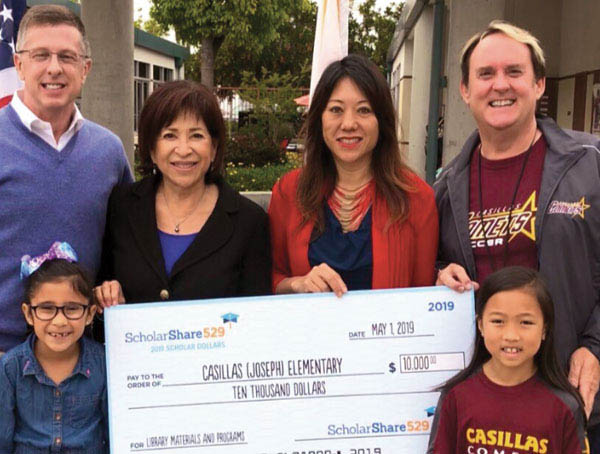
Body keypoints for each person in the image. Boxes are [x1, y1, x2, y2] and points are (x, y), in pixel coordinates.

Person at [434, 20, 600, 439]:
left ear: (539, 84)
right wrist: (437, 275)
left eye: (514, 72)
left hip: (576, 401)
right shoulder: (445, 188)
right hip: (490, 416)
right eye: (485, 74)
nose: (500, 85)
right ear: (465, 91)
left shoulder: (591, 164)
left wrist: (595, 347)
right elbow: (433, 269)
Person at [0, 5, 132, 354]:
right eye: (40, 55)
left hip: (83, 362)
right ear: (19, 64)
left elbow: (127, 246)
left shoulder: (108, 152)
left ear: (85, 68)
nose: (54, 68)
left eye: (67, 57)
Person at [269, 54, 438, 296]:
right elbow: (270, 280)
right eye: (336, 109)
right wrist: (298, 283)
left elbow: (425, 295)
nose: (349, 123)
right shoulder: (288, 192)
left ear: (382, 121)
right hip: (310, 333)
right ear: (320, 119)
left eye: (364, 110)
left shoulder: (416, 198)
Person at [96, 80, 270, 307]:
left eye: (196, 135)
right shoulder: (121, 207)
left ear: (214, 147)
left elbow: (256, 315)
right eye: (170, 135)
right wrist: (103, 297)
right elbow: (98, 293)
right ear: (151, 148)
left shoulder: (249, 222)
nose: (184, 149)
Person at [427, 266, 588, 453]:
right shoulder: (455, 397)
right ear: (481, 325)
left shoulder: (565, 407)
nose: (511, 335)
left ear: (544, 328)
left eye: (525, 322)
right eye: (498, 321)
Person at [0, 242, 108, 453]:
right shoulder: (9, 368)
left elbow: (114, 434)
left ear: (89, 313)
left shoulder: (104, 365)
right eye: (47, 308)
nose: (60, 321)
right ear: (28, 313)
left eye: (72, 308)